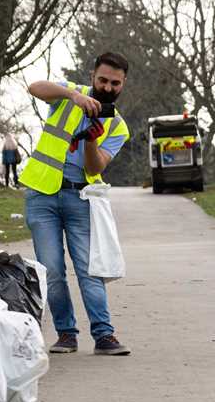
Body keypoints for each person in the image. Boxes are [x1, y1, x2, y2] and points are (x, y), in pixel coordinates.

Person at [19, 53, 131, 355]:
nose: (107, 87)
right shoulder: (69, 94)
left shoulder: (118, 127)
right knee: (52, 269)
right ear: (93, 76)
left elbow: (95, 168)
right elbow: (35, 87)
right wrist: (73, 95)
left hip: (81, 199)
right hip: (42, 195)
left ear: (123, 85)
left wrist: (92, 139)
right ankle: (66, 334)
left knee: (88, 268)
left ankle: (104, 335)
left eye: (115, 83)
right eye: (102, 80)